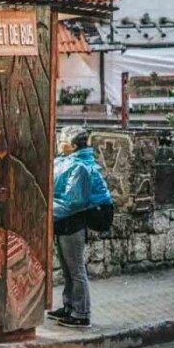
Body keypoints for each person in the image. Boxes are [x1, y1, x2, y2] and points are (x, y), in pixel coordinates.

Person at [48, 130, 113, 328]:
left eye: (63, 140)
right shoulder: (66, 160)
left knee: (75, 269)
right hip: (64, 222)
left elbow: (74, 202)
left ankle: (82, 313)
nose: (59, 142)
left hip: (72, 224)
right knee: (68, 268)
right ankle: (69, 305)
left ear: (74, 146)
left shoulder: (80, 167)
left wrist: (46, 211)